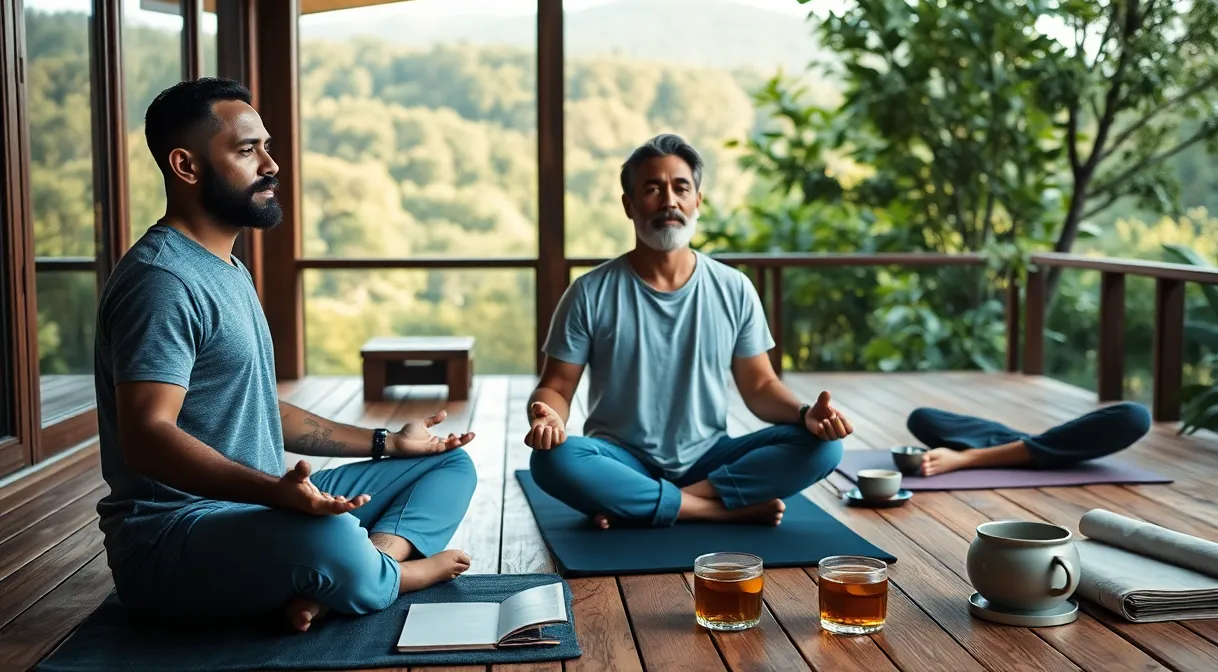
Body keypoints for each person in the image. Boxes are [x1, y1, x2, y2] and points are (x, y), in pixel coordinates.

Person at [94, 78, 478, 632]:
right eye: (247, 150)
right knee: (332, 536)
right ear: (186, 166)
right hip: (175, 538)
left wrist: (388, 443)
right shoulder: (162, 281)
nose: (271, 165)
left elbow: (256, 410)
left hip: (262, 509)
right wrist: (275, 493)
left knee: (446, 463)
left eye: (267, 147)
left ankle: (364, 567)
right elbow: (147, 436)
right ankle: (391, 574)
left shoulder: (226, 267)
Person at [525, 134, 853, 529]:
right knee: (553, 459)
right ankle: (714, 509)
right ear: (629, 205)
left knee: (824, 448)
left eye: (681, 188)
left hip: (709, 457)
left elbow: (760, 386)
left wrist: (804, 414)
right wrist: (548, 419)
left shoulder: (734, 287)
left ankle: (645, 502)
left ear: (698, 200)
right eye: (652, 189)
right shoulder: (588, 292)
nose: (669, 201)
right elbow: (557, 387)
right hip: (621, 459)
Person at [907, 403, 1152, 476]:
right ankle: (1029, 445)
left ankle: (980, 455)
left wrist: (963, 459)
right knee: (921, 418)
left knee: (1135, 416)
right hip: (1042, 441)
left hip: (975, 454)